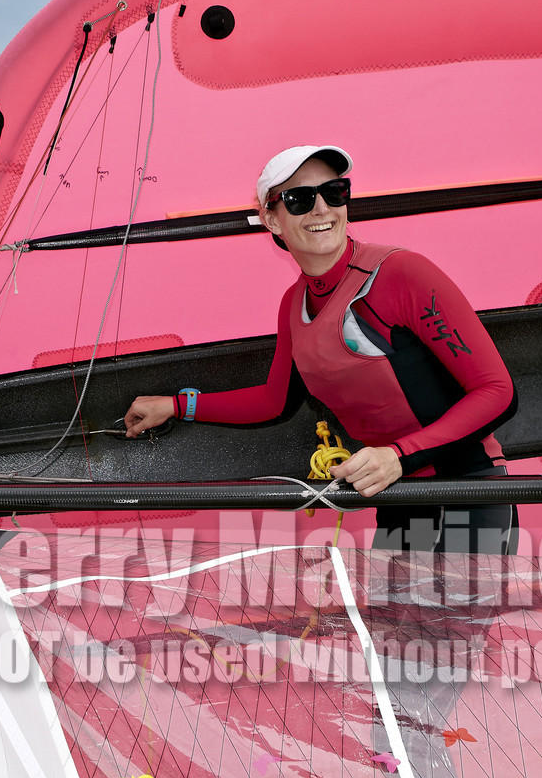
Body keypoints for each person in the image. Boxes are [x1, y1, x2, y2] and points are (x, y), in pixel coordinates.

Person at [123, 145, 519, 554]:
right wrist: (175, 406)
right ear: (271, 220)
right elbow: (274, 403)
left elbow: (497, 392)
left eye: (334, 192)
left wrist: (400, 455)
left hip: (469, 492)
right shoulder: (292, 304)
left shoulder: (401, 273)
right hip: (398, 499)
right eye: (299, 199)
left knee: (451, 620)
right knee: (395, 620)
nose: (321, 209)